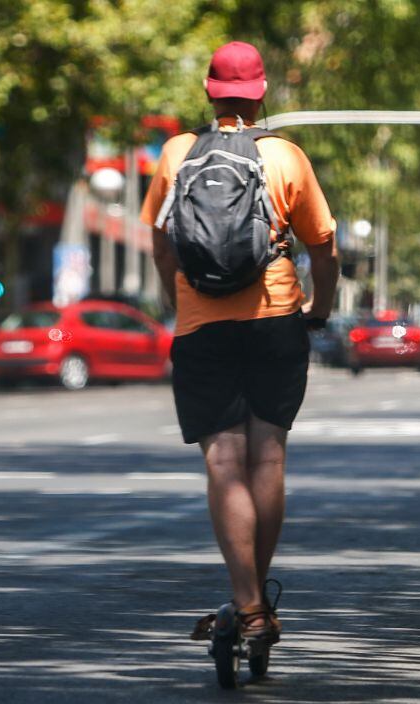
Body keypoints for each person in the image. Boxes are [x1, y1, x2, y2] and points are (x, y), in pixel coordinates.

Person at [140, 41, 340, 642]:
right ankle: (254, 604)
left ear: (209, 89)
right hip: (276, 317)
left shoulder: (178, 151)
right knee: (268, 456)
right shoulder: (285, 156)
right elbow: (323, 247)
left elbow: (159, 244)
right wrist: (318, 310)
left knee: (224, 462)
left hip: (204, 325)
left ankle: (249, 606)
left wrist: (182, 308)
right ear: (261, 93)